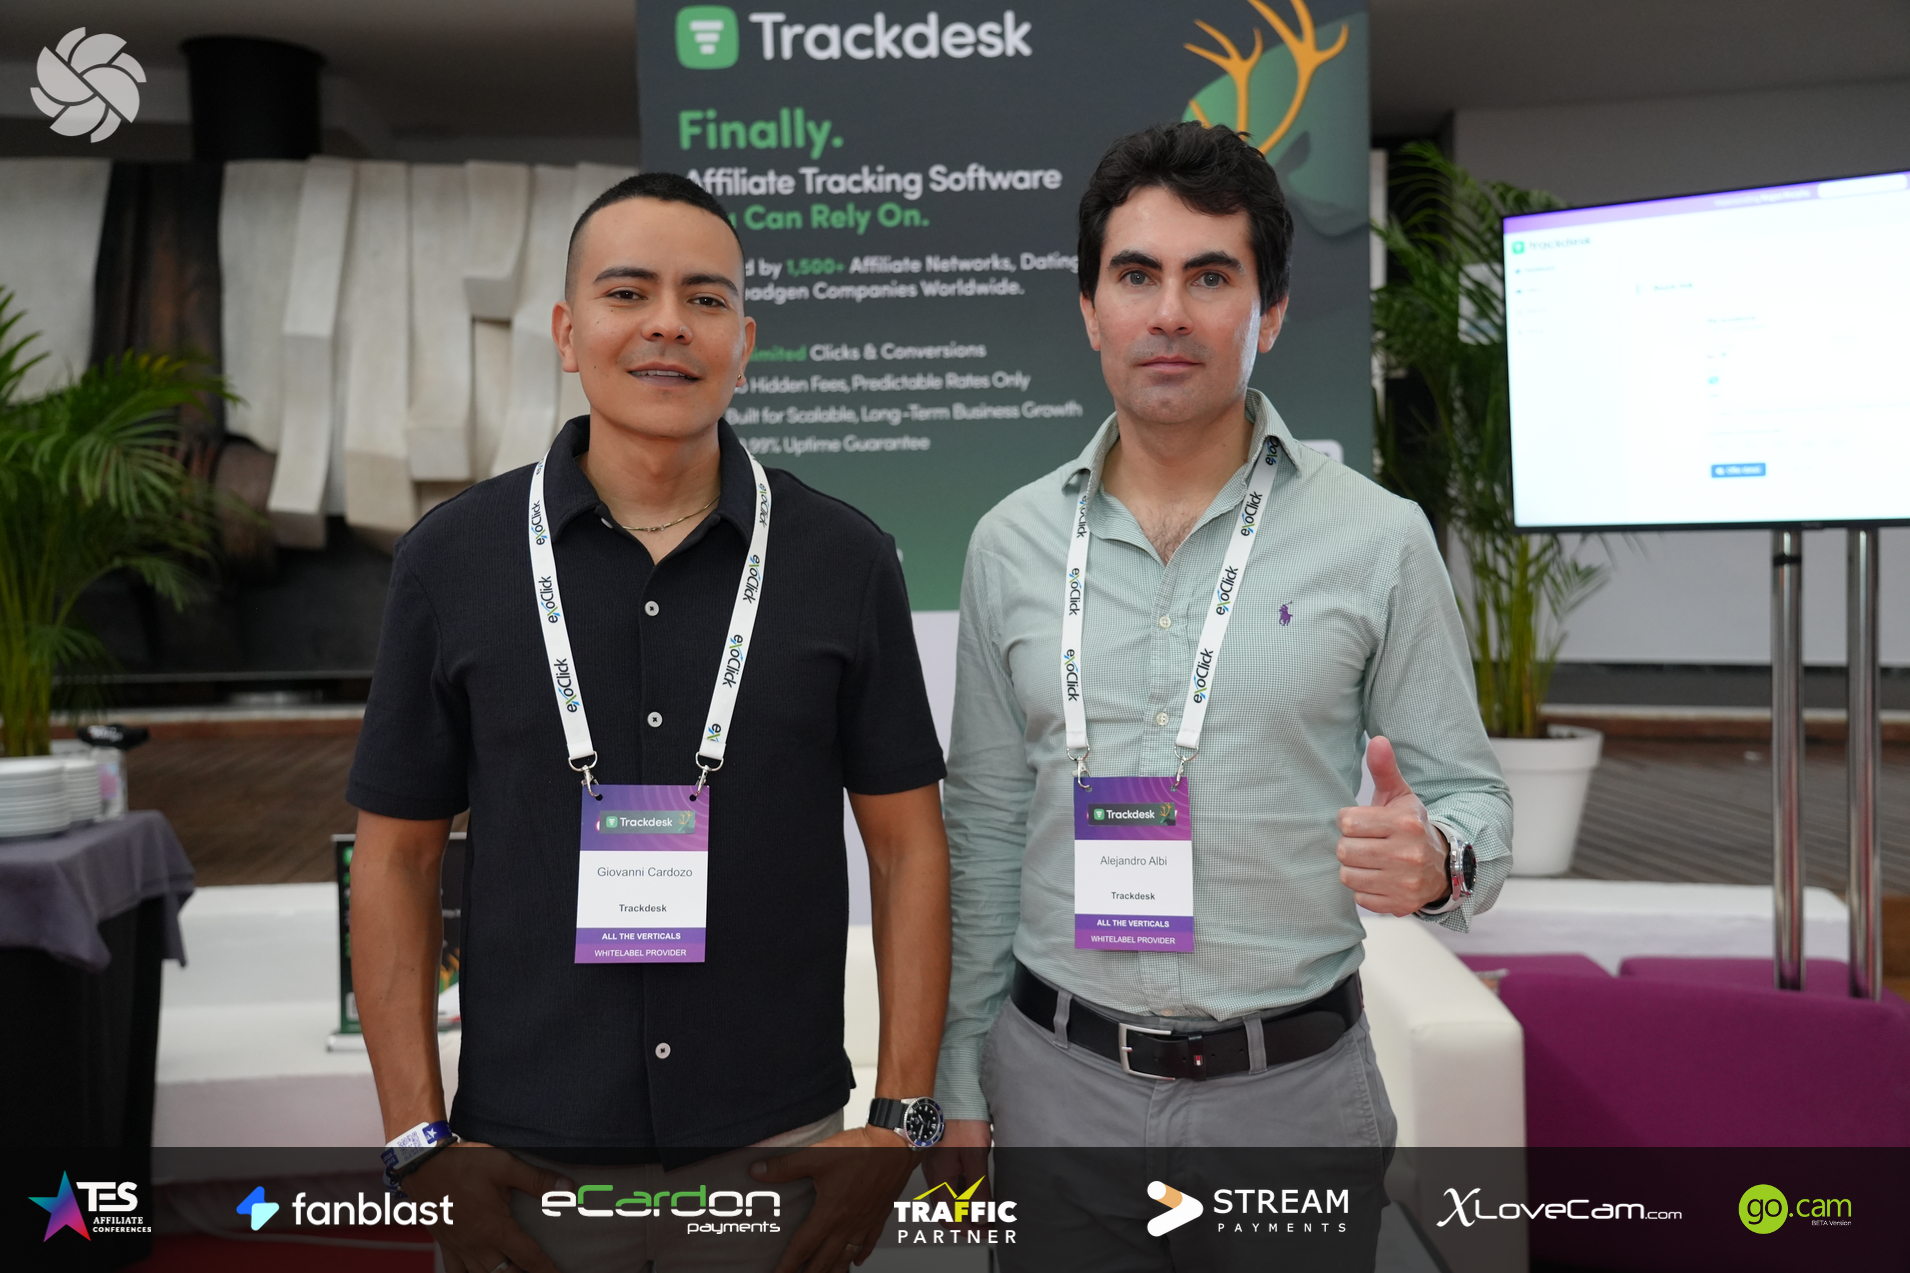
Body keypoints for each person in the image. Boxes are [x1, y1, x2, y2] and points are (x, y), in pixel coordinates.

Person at [927, 123, 1513, 1265]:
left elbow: (1470, 797)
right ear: (1089, 309)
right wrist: (961, 1078)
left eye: (1209, 277)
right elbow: (986, 827)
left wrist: (1438, 858)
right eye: (1134, 276)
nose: (1168, 313)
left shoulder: (1379, 539)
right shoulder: (1009, 543)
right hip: (1056, 1097)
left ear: (1269, 312)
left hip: (1289, 1102)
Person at [346, 172, 951, 1273]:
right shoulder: (452, 561)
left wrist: (901, 1117)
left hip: (778, 1154)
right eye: (628, 293)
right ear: (567, 332)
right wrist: (417, 1142)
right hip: (526, 1160)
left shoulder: (843, 560)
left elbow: (908, 848)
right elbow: (395, 859)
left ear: (743, 342)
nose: (669, 323)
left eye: (705, 298)